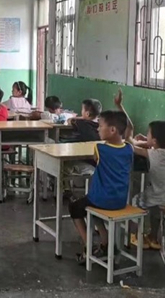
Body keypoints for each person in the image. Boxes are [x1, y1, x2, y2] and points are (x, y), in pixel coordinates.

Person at [115, 90, 165, 250]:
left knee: (136, 200)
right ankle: (153, 238)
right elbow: (149, 146)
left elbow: (129, 142)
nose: (146, 135)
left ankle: (135, 236)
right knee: (153, 204)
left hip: (163, 197)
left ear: (154, 140)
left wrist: (119, 106)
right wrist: (146, 141)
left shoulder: (153, 153)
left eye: (148, 133)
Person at [68, 109, 133, 264]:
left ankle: (88, 245)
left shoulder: (100, 148)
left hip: (101, 199)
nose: (98, 129)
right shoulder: (129, 148)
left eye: (101, 126)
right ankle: (105, 243)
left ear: (112, 130)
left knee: (74, 207)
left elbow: (96, 159)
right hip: (120, 200)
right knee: (95, 211)